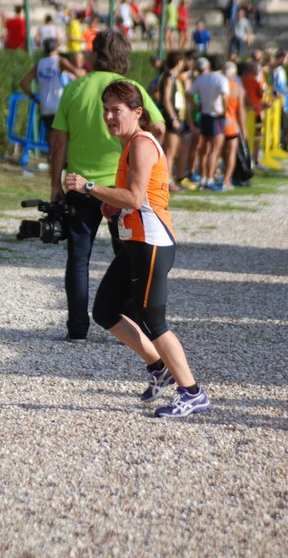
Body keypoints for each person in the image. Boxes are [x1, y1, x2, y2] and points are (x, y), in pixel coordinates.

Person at [64, 80, 210, 417]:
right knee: (104, 310)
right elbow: (131, 197)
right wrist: (111, 205)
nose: (109, 117)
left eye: (116, 110)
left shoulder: (142, 144)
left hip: (152, 242)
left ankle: (192, 391)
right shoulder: (129, 145)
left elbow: (136, 197)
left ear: (137, 113)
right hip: (135, 242)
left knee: (153, 320)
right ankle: (159, 367)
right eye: (106, 111)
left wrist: (89, 187)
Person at [49, 29, 165, 342]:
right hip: (120, 187)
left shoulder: (74, 88)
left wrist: (55, 185)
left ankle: (77, 329)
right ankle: (128, 325)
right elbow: (161, 126)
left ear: (93, 54)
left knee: (78, 259)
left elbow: (59, 140)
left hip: (79, 184)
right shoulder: (131, 89)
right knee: (127, 256)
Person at [20, 38, 86, 156]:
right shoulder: (60, 61)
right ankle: (64, 167)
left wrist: (34, 98)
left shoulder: (39, 64)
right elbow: (78, 73)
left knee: (52, 144)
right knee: (64, 143)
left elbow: (24, 83)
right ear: (57, 48)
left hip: (45, 107)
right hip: (60, 107)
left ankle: (54, 169)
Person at [186, 54, 229, 191]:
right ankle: (210, 178)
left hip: (204, 114)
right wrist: (225, 111)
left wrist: (196, 106)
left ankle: (203, 178)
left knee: (204, 150)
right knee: (215, 150)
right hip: (216, 115)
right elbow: (224, 97)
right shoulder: (222, 79)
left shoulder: (202, 78)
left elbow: (189, 94)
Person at [157, 51, 191, 192]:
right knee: (169, 152)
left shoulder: (174, 78)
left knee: (174, 151)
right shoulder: (169, 78)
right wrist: (173, 118)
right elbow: (165, 99)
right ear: (178, 62)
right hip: (172, 120)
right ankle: (168, 181)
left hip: (177, 118)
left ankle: (169, 179)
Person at [222, 60, 247, 189]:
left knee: (219, 152)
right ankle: (227, 179)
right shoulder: (237, 89)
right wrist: (243, 128)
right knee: (231, 152)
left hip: (219, 122)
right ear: (233, 74)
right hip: (232, 124)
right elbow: (240, 111)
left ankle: (214, 176)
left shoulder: (219, 85)